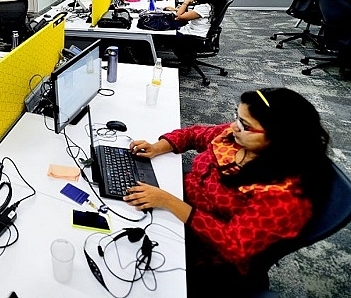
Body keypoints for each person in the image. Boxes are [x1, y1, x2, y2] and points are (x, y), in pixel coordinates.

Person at [124, 87, 332, 297]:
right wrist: (158, 147)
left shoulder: (283, 195)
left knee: (125, 263)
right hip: (181, 210)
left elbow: (233, 244)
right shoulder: (237, 137)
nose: (234, 126)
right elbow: (194, 134)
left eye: (245, 124)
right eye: (237, 117)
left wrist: (170, 202)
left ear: (279, 138)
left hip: (209, 256)